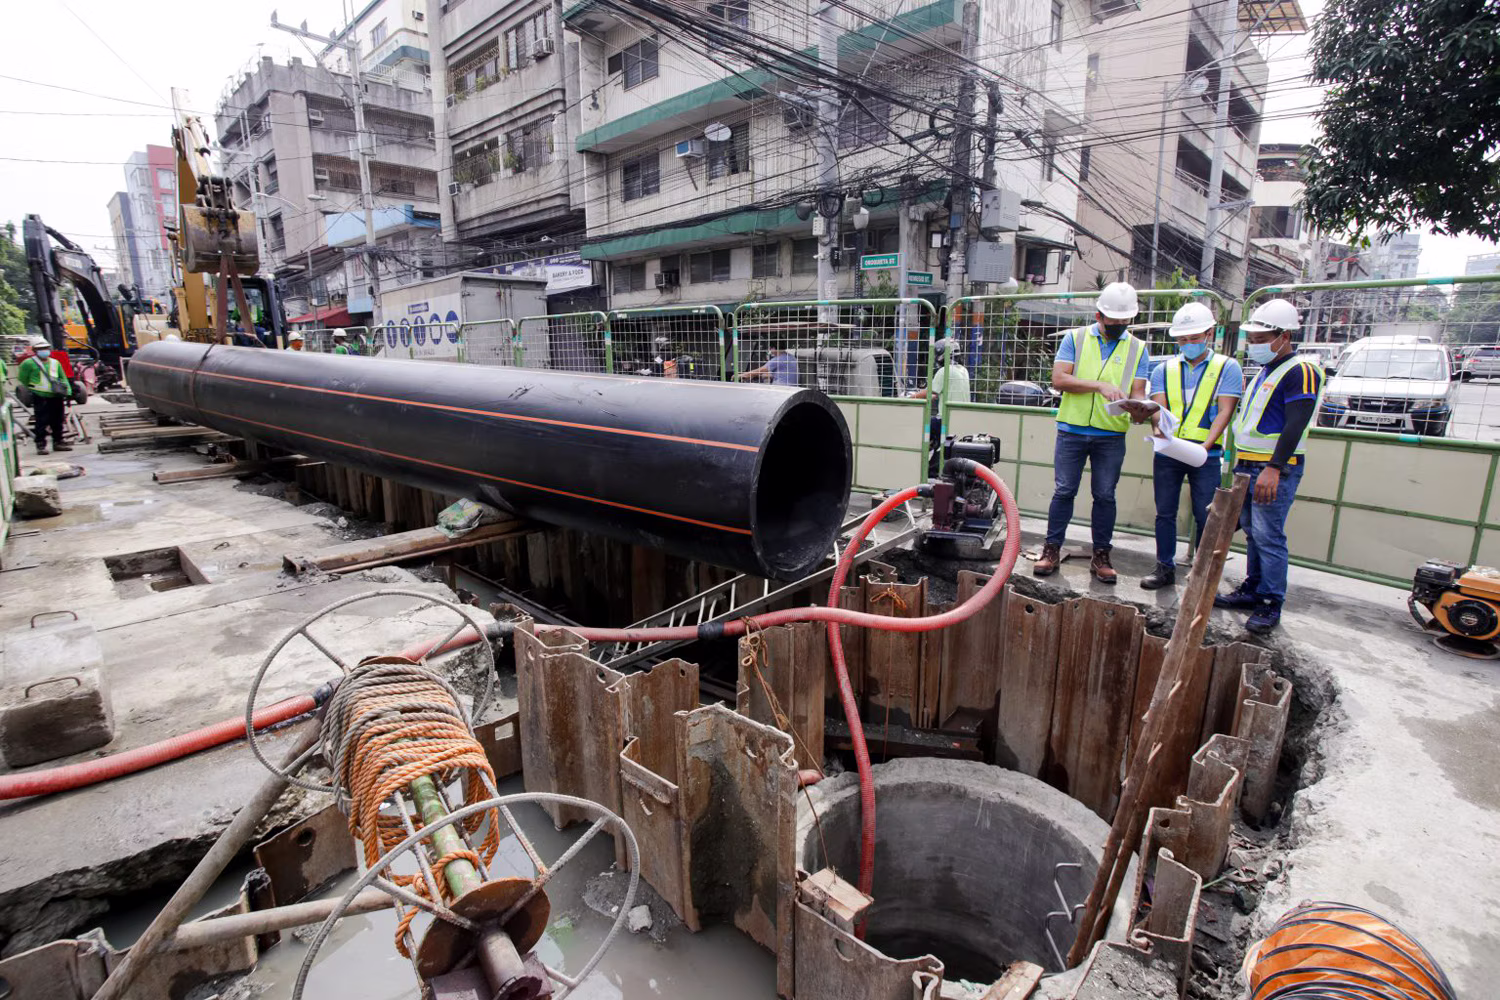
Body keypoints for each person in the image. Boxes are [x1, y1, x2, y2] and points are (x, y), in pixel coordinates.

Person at [1215, 298, 1324, 634]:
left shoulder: (1300, 371)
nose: (1255, 346)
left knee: (1268, 535)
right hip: (1249, 465)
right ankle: (1253, 588)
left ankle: (1269, 601)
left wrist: (1275, 468)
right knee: (1251, 532)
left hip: (1272, 468)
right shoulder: (1268, 370)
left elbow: (1295, 423)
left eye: (1262, 340)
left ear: (1285, 336)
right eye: (1253, 339)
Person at [1034, 281, 1151, 583]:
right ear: (1099, 315)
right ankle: (1051, 550)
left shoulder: (1138, 348)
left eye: (1124, 322)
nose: (1119, 326)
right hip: (1072, 430)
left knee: (1105, 495)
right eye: (1113, 322)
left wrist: (1140, 409)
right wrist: (1099, 386)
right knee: (1064, 491)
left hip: (1110, 434)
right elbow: (1059, 379)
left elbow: (1137, 392)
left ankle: (1101, 556)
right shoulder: (1075, 338)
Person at [1140, 302, 1244, 589]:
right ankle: (1164, 568)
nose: (1188, 344)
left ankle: (1203, 574)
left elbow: (1225, 411)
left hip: (1205, 453)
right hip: (1169, 451)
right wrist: (1158, 432)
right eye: (1183, 339)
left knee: (1207, 513)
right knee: (1165, 512)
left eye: (1194, 338)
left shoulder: (1227, 367)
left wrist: (1205, 446)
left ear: (1209, 334)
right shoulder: (1164, 369)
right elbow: (1159, 409)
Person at [18, 337, 73, 455]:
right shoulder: (28, 363)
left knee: (58, 420)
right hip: (40, 395)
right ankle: (41, 445)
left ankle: (58, 442)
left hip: (56, 395)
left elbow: (62, 377)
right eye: (40, 349)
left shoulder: (55, 362)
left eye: (46, 348)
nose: (44, 351)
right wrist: (33, 387)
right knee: (41, 420)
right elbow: (23, 378)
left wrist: (67, 391)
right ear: (35, 350)